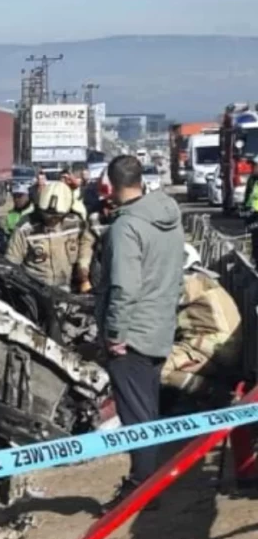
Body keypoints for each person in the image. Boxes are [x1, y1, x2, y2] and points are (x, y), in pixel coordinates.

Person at [95, 154, 184, 509]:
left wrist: (115, 334)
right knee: (147, 409)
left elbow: (124, 287)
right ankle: (147, 482)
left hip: (131, 335)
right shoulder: (169, 216)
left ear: (110, 185)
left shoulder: (126, 227)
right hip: (160, 326)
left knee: (136, 417)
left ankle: (142, 487)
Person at [162, 245, 240, 398]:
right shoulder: (203, 279)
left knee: (155, 368)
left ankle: (215, 393)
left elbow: (157, 305)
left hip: (209, 348)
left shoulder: (191, 282)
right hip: (216, 346)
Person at [5, 181, 96, 293]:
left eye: (57, 216)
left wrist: (83, 268)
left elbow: (86, 245)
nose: (51, 219)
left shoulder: (76, 224)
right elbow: (12, 262)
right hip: (36, 292)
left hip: (69, 291)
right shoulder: (25, 228)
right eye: (46, 214)